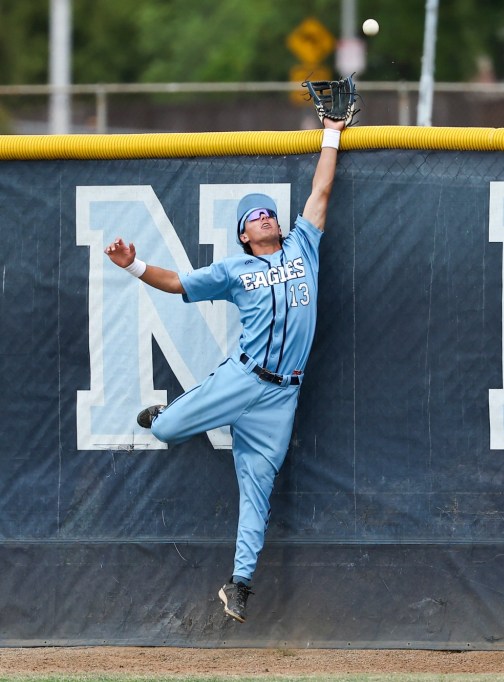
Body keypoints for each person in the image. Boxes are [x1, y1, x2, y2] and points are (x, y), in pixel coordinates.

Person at [103, 116, 346, 623]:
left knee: (257, 492)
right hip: (244, 378)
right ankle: (166, 412)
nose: (264, 218)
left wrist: (332, 133)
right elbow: (176, 283)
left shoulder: (303, 246)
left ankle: (238, 584)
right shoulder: (234, 271)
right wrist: (132, 263)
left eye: (269, 214)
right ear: (242, 232)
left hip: (282, 399)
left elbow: (321, 191)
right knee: (167, 429)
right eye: (254, 216)